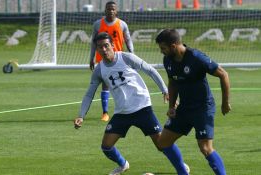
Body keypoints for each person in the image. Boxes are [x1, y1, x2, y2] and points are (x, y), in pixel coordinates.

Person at [74, 32, 189, 175]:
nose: (103, 49)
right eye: (100, 47)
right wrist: (81, 115)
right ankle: (123, 165)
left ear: (113, 45)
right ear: (96, 50)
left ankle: (182, 169)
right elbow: (89, 93)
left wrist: (165, 90)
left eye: (106, 46)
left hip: (142, 107)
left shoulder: (126, 57)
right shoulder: (99, 70)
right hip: (122, 112)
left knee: (162, 144)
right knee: (106, 146)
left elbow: (150, 70)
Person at [155, 29, 231, 175]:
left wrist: (225, 103)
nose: (161, 52)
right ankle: (183, 172)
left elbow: (223, 74)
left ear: (173, 46)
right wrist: (172, 106)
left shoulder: (196, 57)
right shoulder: (168, 60)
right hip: (184, 109)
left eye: (163, 48)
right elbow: (173, 82)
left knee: (205, 148)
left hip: (202, 109)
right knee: (163, 142)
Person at [89, 1, 134, 122]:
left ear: (116, 11)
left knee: (124, 83)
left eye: (113, 9)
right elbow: (93, 43)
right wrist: (91, 57)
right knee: (105, 84)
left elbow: (128, 40)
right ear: (105, 10)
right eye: (108, 9)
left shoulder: (122, 24)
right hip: (103, 59)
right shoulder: (98, 24)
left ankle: (128, 108)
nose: (111, 11)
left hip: (119, 59)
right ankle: (105, 113)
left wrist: (132, 55)